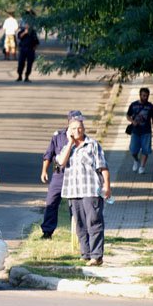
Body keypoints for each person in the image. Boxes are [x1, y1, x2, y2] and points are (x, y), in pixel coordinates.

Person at [56, 111, 111, 266]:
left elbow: (103, 166)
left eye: (80, 128)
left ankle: (96, 256)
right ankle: (85, 254)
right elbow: (61, 162)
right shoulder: (67, 147)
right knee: (80, 225)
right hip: (73, 192)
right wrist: (70, 143)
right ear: (68, 131)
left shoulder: (93, 145)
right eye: (73, 128)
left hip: (91, 190)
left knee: (94, 221)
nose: (77, 131)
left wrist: (107, 185)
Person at [39, 111, 82, 239]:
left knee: (75, 204)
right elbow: (49, 154)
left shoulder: (82, 137)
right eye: (74, 121)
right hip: (59, 174)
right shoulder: (58, 136)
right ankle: (47, 231)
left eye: (79, 121)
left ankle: (78, 232)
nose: (77, 124)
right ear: (69, 122)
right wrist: (44, 171)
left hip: (74, 174)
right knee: (51, 202)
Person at [126, 87, 153, 174]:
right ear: (140, 95)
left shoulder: (151, 106)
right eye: (143, 95)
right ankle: (136, 160)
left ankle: (142, 166)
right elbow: (128, 115)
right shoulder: (133, 105)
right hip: (135, 131)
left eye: (147, 96)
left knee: (145, 150)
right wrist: (133, 121)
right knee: (133, 150)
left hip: (146, 131)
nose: (145, 97)